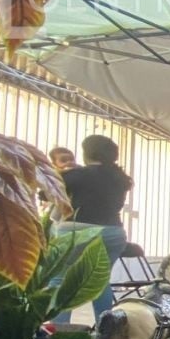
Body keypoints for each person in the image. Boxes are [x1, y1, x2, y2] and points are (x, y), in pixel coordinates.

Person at [55, 135, 132, 320]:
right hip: (113, 233)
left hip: (78, 230)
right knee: (100, 280)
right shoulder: (120, 177)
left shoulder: (77, 174)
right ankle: (105, 328)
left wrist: (62, 172)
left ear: (87, 153)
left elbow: (45, 193)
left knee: (60, 278)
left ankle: (59, 330)